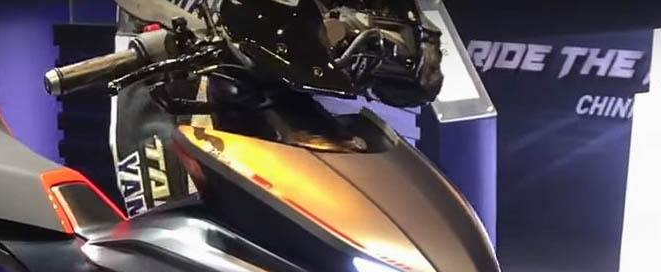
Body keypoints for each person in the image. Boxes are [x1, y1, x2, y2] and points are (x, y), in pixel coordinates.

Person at [109, 0, 444, 216]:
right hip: (178, 68)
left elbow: (420, 66)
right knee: (176, 239)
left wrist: (400, 47)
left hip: (281, 95)